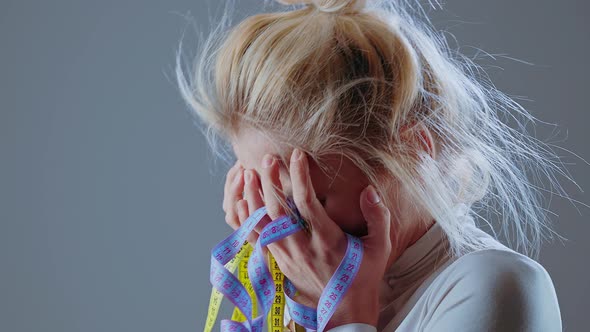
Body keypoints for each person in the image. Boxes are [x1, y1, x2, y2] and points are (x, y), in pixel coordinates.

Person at [175, 0, 567, 330]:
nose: (278, 230)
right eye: (261, 195)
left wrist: (345, 315)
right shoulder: (308, 288)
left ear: (414, 156)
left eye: (308, 200)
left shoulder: (496, 286)